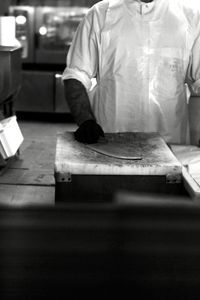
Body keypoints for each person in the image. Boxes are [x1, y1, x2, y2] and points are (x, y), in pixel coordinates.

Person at [62, 0, 200, 144]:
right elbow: (75, 75)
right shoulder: (100, 14)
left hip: (171, 143)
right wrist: (85, 121)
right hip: (110, 140)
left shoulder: (191, 16)